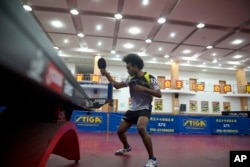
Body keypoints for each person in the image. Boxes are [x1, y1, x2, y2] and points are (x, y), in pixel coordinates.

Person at [100, 53, 162, 167]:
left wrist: (144, 89)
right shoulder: (130, 78)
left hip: (145, 107)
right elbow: (117, 85)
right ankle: (126, 147)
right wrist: (107, 74)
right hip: (133, 109)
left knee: (141, 128)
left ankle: (152, 159)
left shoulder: (150, 78)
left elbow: (159, 94)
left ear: (136, 66)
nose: (127, 70)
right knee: (120, 131)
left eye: (129, 67)